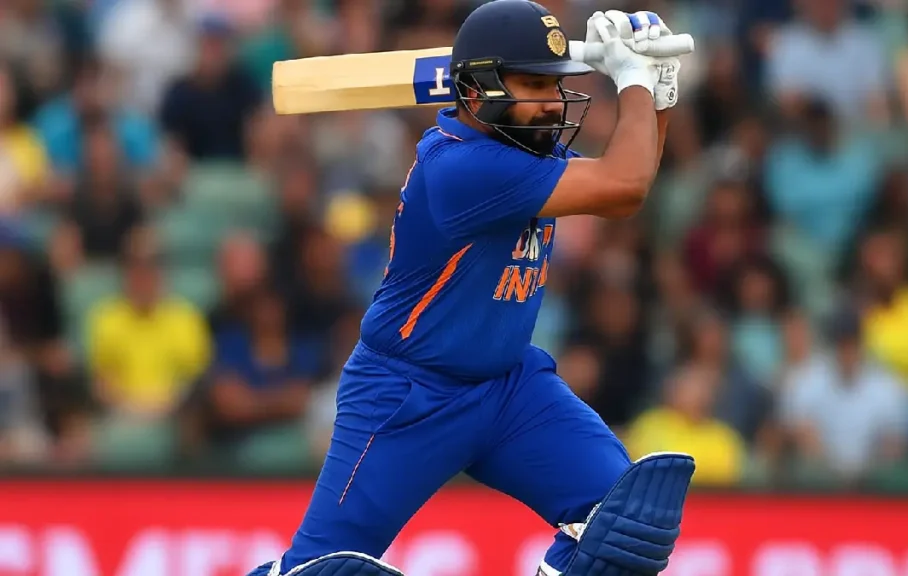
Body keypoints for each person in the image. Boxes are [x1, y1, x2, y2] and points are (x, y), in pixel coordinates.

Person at [247, 3, 695, 576]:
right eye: (534, 83)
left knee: (626, 523)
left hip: (510, 389)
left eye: (555, 84)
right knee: (322, 570)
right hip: (408, 395)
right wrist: (631, 78)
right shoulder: (463, 168)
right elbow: (624, 184)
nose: (554, 101)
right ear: (479, 92)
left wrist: (658, 90)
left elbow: (627, 185)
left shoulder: (523, 148)